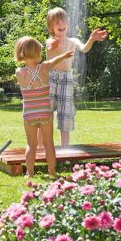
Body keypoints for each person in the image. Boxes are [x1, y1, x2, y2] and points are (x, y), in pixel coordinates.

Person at [45, 7, 108, 147]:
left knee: (65, 112)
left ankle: (65, 147)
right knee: (45, 113)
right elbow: (51, 50)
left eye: (63, 21)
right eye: (57, 22)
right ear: (51, 27)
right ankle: (42, 146)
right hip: (50, 78)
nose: (61, 24)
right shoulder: (49, 42)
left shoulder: (73, 41)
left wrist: (91, 39)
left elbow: (84, 49)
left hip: (66, 79)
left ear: (67, 23)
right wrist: (56, 46)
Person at [14, 36, 74, 177]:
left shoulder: (19, 72)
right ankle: (52, 171)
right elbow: (53, 61)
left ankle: (29, 172)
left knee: (31, 144)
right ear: (37, 53)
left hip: (29, 115)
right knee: (49, 143)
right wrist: (64, 55)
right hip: (45, 113)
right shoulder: (44, 67)